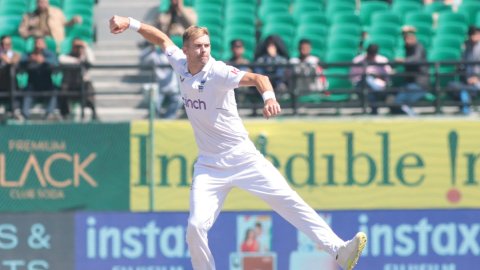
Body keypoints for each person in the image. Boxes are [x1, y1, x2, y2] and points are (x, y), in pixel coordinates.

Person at [109, 15, 367, 270]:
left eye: (207, 46)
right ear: (185, 50)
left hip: (243, 157)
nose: (204, 51)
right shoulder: (179, 63)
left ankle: (339, 251)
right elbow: (162, 38)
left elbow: (258, 78)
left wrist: (269, 98)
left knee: (290, 201)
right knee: (195, 227)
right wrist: (130, 22)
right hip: (209, 166)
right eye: (198, 46)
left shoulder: (218, 72)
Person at [140, 42, 182, 119]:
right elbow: (143, 61)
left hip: (172, 86)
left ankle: (169, 118)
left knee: (179, 100)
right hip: (159, 87)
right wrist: (149, 50)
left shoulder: (172, 55)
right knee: (154, 103)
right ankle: (156, 119)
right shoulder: (154, 55)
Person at [393, 26, 428, 116]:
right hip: (409, 82)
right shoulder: (407, 48)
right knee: (397, 101)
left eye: (408, 38)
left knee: (401, 101)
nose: (406, 40)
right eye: (405, 38)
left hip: (419, 83)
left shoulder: (419, 46)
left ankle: (410, 112)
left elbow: (416, 59)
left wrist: (403, 60)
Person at [59, 38, 98, 120]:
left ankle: (93, 113)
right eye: (76, 46)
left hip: (82, 84)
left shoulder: (85, 57)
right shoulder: (67, 56)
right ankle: (65, 115)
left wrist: (86, 46)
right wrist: (77, 61)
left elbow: (92, 60)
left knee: (89, 87)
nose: (78, 48)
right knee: (63, 89)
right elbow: (61, 59)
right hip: (70, 84)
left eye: (79, 46)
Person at [20, 37, 59, 119]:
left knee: (55, 91)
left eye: (40, 44)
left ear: (45, 45)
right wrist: (30, 59)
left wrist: (44, 60)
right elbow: (20, 61)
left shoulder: (49, 54)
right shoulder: (29, 55)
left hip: (47, 85)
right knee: (26, 92)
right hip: (33, 85)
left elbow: (56, 62)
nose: (38, 46)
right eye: (37, 44)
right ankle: (24, 115)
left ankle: (49, 114)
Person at [350, 44, 392, 115]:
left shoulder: (382, 60)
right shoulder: (358, 60)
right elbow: (353, 77)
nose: (371, 56)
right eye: (370, 54)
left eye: (373, 54)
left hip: (379, 86)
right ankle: (374, 110)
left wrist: (376, 76)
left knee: (371, 88)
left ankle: (374, 109)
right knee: (366, 80)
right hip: (362, 85)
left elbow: (388, 76)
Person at [448, 26, 480, 115]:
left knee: (464, 89)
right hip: (467, 81)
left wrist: (477, 78)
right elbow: (462, 65)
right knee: (452, 86)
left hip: (477, 81)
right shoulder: (467, 47)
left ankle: (466, 109)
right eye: (472, 35)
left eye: (476, 34)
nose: (475, 37)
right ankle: (465, 108)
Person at [0, 35, 21, 117]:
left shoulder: (15, 54)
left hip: (10, 84)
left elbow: (14, 61)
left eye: (9, 44)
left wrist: (5, 58)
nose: (7, 46)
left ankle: (14, 111)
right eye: (4, 44)